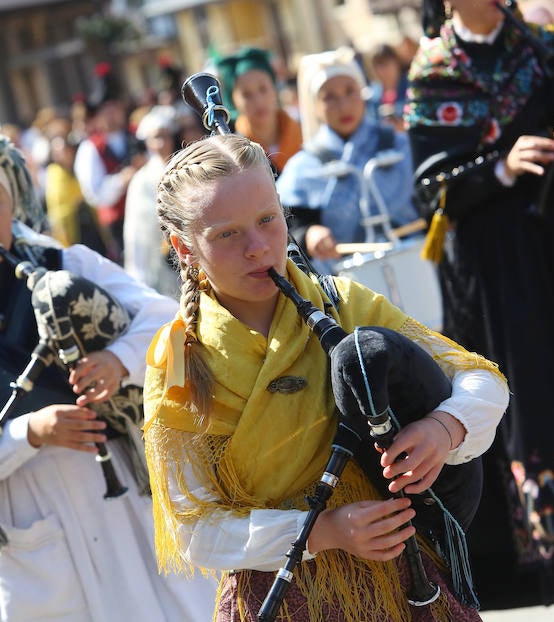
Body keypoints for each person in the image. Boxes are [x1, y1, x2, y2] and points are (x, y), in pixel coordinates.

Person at [143, 133, 510, 621]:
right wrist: (323, 531)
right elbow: (195, 531)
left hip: (408, 582)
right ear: (183, 246)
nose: (257, 248)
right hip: (283, 596)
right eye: (227, 234)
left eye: (267, 220)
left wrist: (444, 430)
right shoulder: (180, 362)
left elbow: (482, 382)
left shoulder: (343, 303)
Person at [0, 123, 217, 621]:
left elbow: (167, 318)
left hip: (118, 491)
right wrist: (29, 432)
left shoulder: (65, 261)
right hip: (18, 512)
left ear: (12, 203)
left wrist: (119, 360)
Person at [406, 0, 554, 609]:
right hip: (501, 286)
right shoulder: (433, 72)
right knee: (534, 402)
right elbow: (427, 191)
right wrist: (503, 167)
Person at [276, 47, 419, 275]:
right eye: (329, 97)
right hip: (347, 285)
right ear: (314, 106)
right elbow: (288, 227)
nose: (343, 105)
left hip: (416, 265)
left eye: (350, 91)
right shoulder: (303, 168)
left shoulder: (400, 145)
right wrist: (309, 234)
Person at [74, 62, 142, 261]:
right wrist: (122, 180)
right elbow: (94, 194)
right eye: (107, 110)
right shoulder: (90, 149)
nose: (113, 114)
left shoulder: (137, 134)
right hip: (119, 222)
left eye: (115, 108)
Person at [216, 47, 302, 174]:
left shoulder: (304, 135)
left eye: (263, 89)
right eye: (246, 94)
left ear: (274, 88)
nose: (258, 101)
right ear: (233, 101)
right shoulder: (233, 155)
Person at [123, 105, 180, 297]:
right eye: (157, 137)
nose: (162, 142)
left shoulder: (182, 169)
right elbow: (135, 229)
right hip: (156, 256)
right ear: (147, 142)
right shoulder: (141, 180)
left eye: (166, 135)